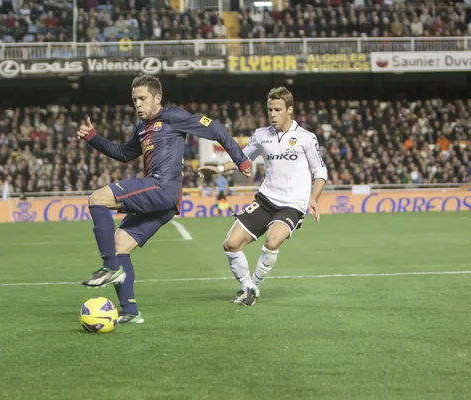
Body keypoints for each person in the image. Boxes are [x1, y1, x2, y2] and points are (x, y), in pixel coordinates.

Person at [77, 74, 252, 324]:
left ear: (157, 98)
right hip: (163, 202)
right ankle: (130, 311)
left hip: (162, 188)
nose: (137, 104)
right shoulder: (142, 128)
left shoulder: (173, 117)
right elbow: (124, 154)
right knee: (119, 245)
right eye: (134, 100)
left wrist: (241, 159)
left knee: (97, 198)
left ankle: (110, 268)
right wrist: (94, 138)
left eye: (142, 99)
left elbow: (216, 129)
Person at [199, 87, 327, 306]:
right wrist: (219, 169)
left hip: (292, 205)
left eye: (278, 110)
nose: (273, 114)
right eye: (270, 110)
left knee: (272, 240)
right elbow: (242, 159)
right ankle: (248, 288)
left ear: (289, 110)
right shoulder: (261, 135)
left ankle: (253, 287)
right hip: (266, 199)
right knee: (231, 244)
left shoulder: (306, 138)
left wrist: (314, 197)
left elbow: (320, 171)